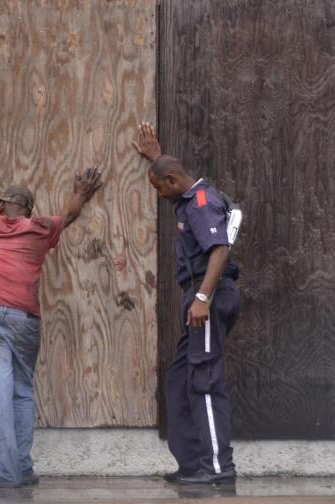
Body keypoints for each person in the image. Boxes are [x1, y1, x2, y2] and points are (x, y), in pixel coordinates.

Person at [0, 135, 103, 488]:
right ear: (29, 211)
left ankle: (9, 473)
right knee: (21, 390)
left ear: (2, 207)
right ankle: (22, 468)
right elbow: (69, 214)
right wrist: (81, 191)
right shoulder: (40, 228)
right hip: (24, 317)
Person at [133, 122, 242, 486]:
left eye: (159, 187)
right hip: (199, 296)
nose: (159, 195)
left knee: (204, 380)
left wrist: (202, 297)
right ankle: (193, 465)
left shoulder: (200, 202)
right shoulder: (188, 199)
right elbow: (169, 175)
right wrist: (155, 157)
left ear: (173, 181)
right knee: (181, 380)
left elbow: (220, 249)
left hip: (207, 296)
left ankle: (218, 469)